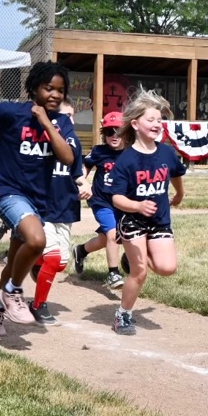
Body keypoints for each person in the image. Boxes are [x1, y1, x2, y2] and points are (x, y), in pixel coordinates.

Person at [0, 61, 76, 337]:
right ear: (34, 87)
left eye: (61, 90)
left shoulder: (61, 123)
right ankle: (13, 292)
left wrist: (46, 123)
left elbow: (68, 158)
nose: (55, 95)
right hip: (7, 190)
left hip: (38, 200)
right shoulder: (12, 112)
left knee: (14, 263)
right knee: (37, 240)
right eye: (49, 88)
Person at [106, 90, 186, 335]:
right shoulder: (127, 160)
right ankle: (123, 315)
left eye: (159, 120)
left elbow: (175, 173)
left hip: (159, 220)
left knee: (167, 268)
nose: (156, 124)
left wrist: (179, 194)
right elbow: (116, 198)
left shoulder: (166, 153)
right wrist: (138, 206)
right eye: (150, 119)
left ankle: (129, 258)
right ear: (135, 124)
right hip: (132, 221)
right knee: (139, 273)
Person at [28, 100, 86, 325]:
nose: (70, 120)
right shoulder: (40, 140)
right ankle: (38, 305)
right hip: (43, 207)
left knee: (60, 263)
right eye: (65, 115)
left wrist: (85, 184)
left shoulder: (73, 142)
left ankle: (34, 260)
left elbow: (77, 172)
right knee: (53, 258)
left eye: (72, 115)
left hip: (65, 207)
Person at [73, 110, 127, 290]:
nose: (114, 135)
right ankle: (113, 273)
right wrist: (84, 182)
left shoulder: (132, 152)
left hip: (124, 203)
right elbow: (85, 167)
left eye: (118, 131)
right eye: (109, 132)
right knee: (113, 235)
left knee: (107, 239)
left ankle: (81, 250)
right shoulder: (99, 151)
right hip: (101, 201)